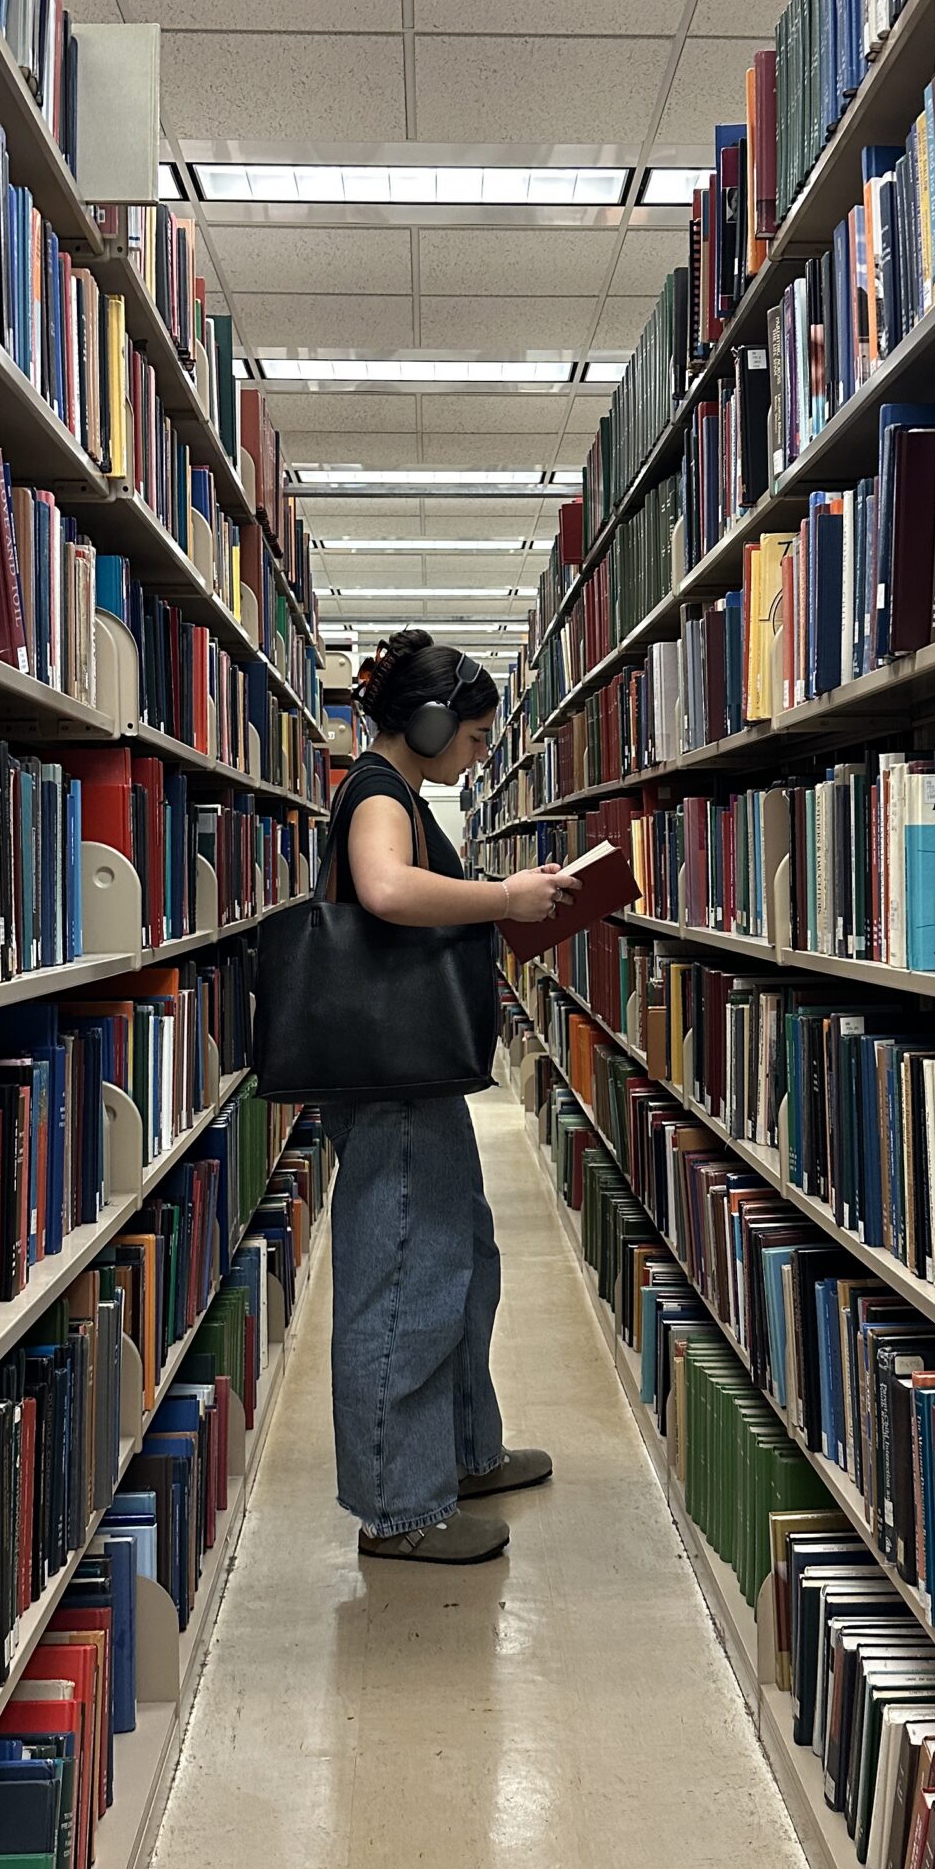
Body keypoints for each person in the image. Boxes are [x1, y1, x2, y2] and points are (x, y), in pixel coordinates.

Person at [324, 629, 572, 1565]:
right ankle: (399, 1508)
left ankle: (461, 1454)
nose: (476, 760)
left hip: (418, 1074)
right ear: (427, 724)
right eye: (471, 740)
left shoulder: (399, 792)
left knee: (462, 1257)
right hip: (393, 1082)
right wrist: (504, 897)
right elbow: (385, 892)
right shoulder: (380, 793)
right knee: (402, 1285)